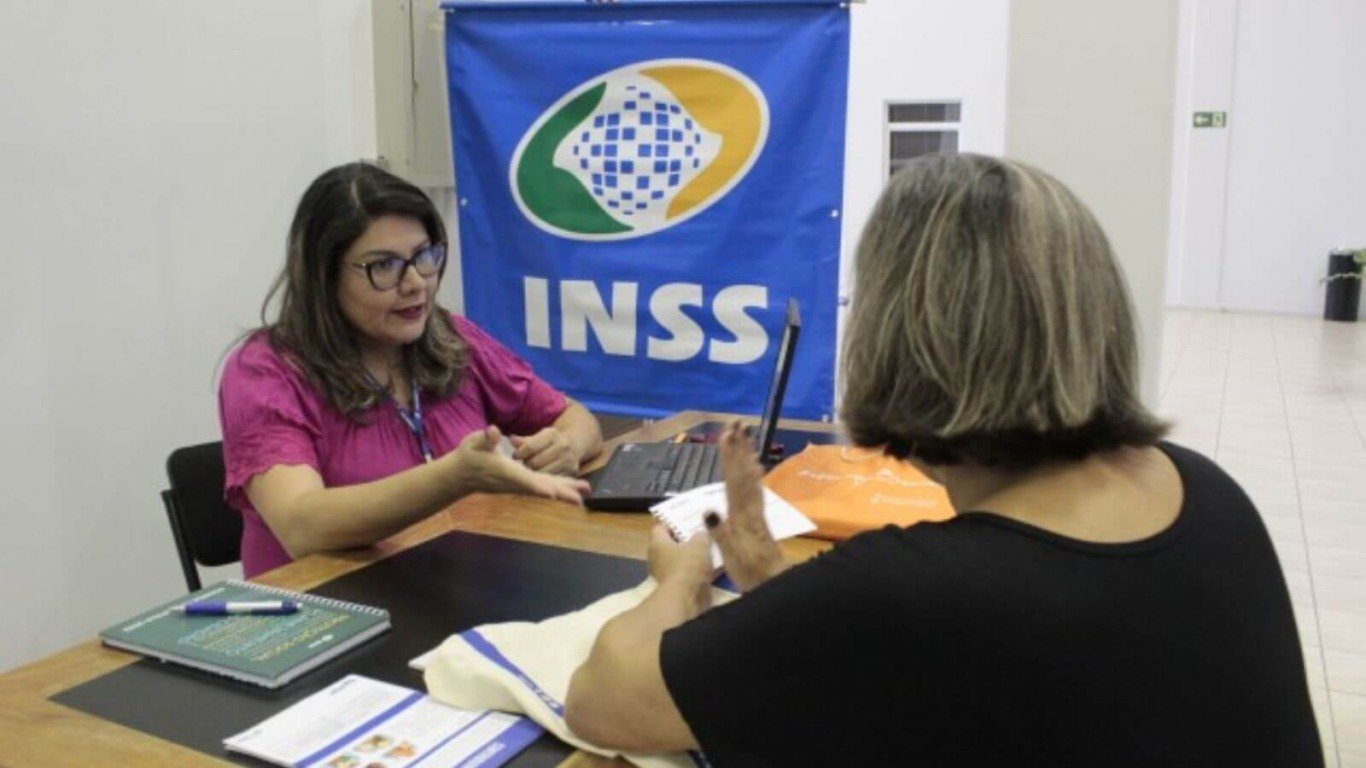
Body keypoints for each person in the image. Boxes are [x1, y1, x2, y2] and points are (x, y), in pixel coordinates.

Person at [564, 154, 1322, 766]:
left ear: (899, 338)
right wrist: (767, 576)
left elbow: (603, 700)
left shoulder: (920, 590)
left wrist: (677, 580)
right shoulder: (1201, 486)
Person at [220, 162, 601, 577]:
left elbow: (574, 418)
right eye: (383, 266)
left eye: (424, 256)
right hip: (325, 614)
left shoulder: (450, 337)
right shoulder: (265, 371)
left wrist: (567, 447)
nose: (416, 282)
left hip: (451, 585)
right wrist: (455, 478)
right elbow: (302, 525)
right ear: (323, 276)